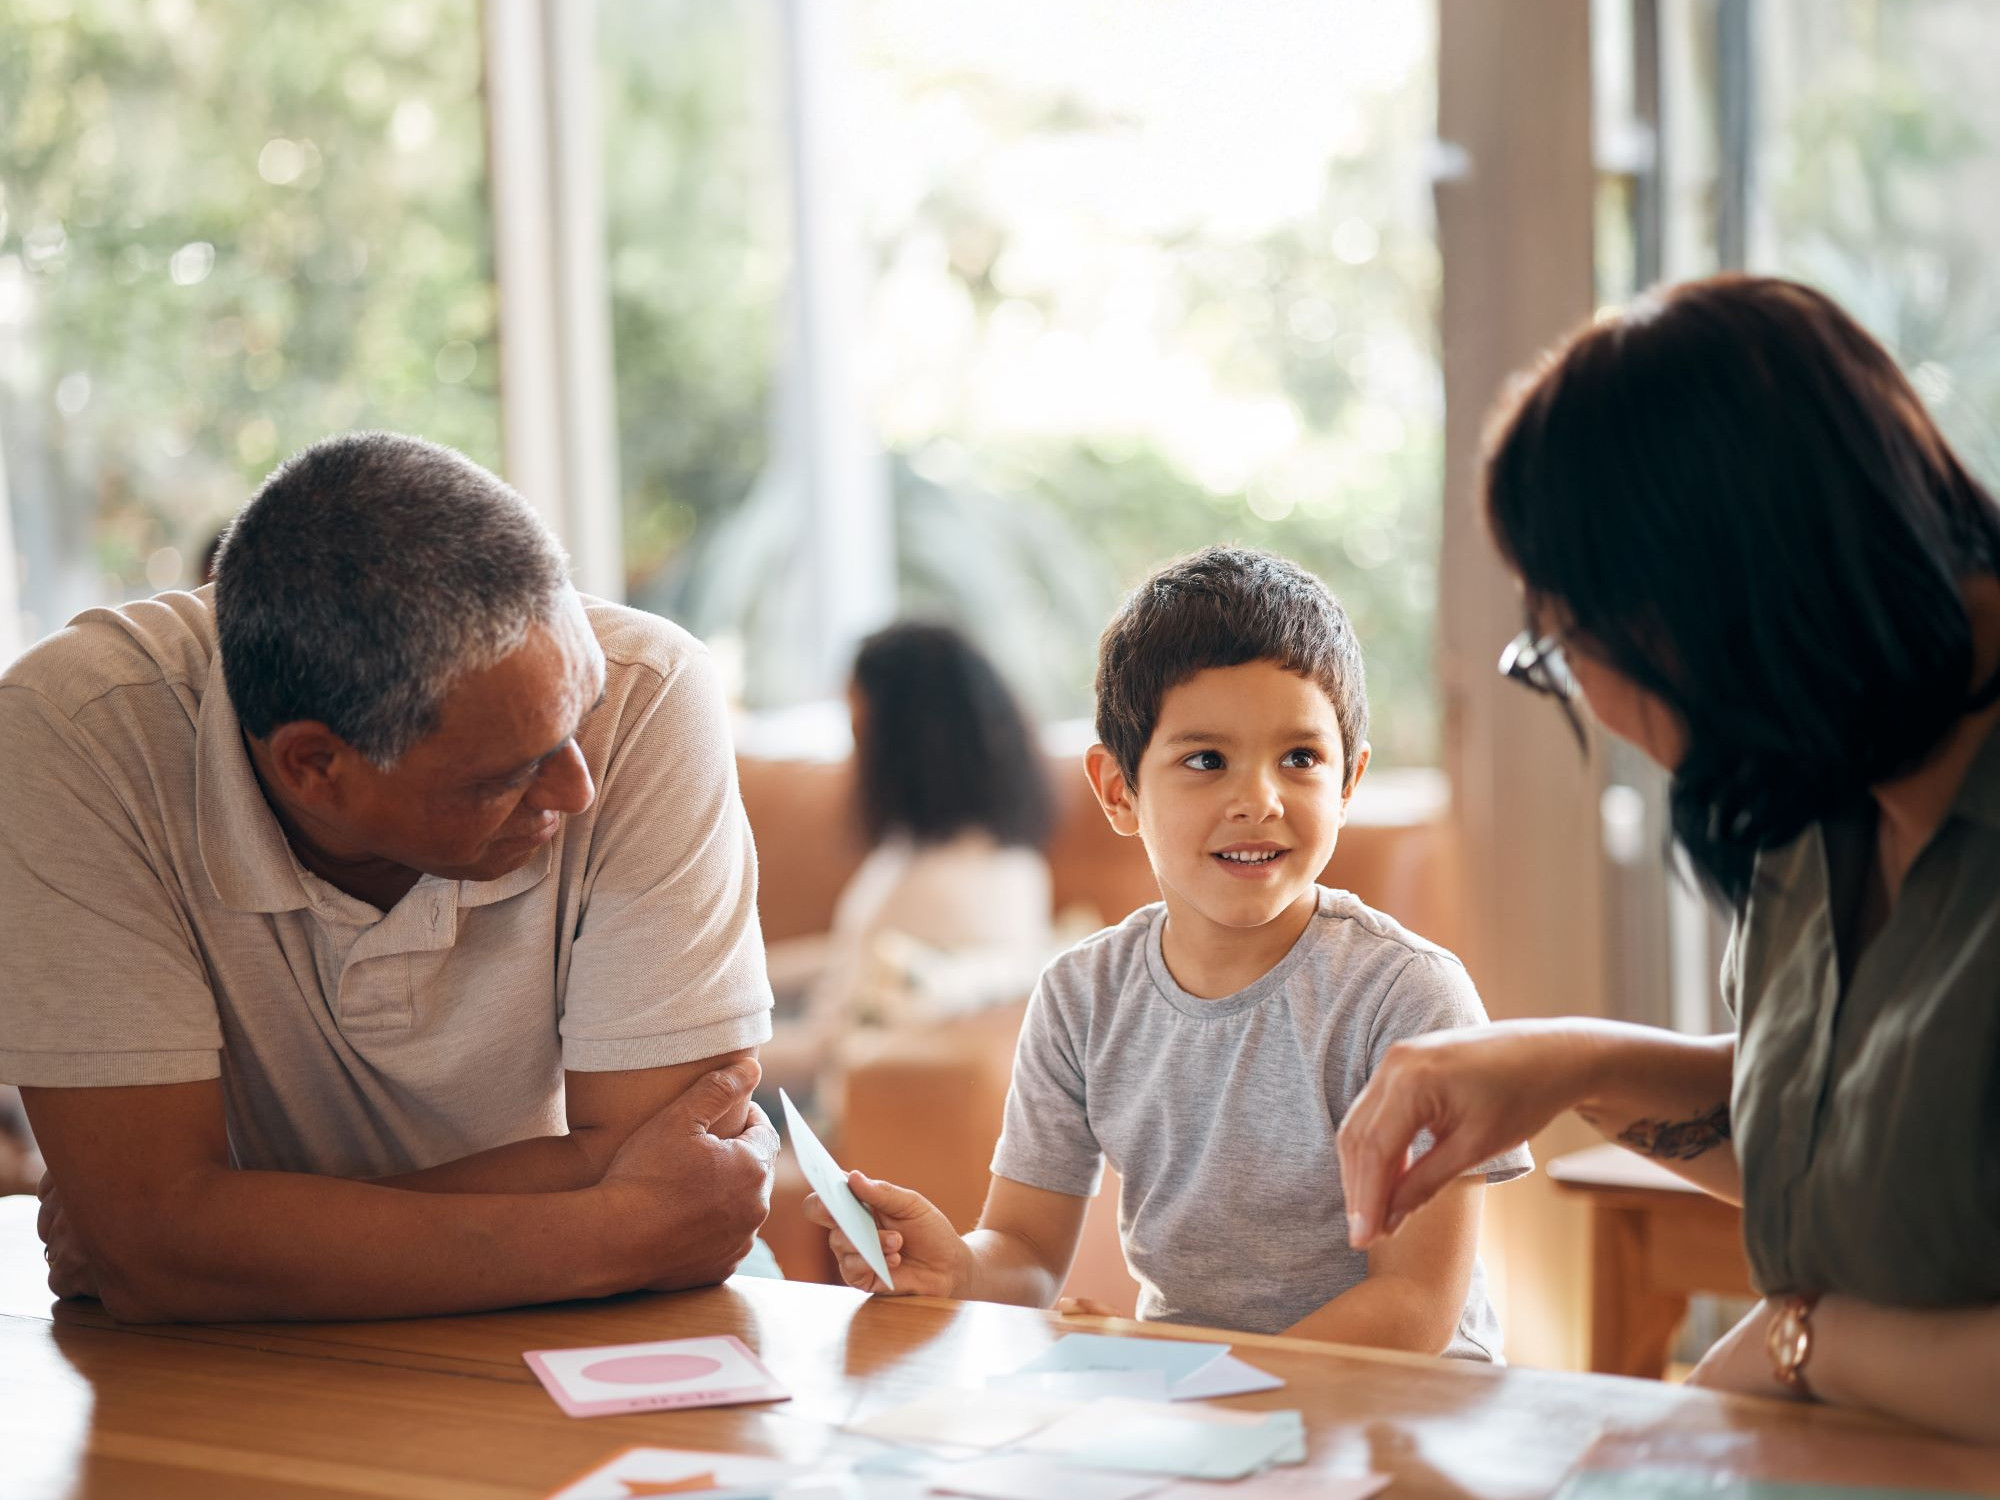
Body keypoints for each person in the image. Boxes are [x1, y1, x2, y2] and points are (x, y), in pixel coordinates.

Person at [1336, 276, 2000, 1442]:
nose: (1594, 706)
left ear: (1698, 609)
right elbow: (1886, 1138)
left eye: (1564, 643)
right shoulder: (1822, 772)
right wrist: (1568, 1066)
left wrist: (1804, 1347)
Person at [0, 432, 779, 1323]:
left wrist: (221, 1234)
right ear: (314, 766)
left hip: (616, 1313)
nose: (578, 788)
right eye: (507, 774)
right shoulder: (75, 735)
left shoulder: (649, 691)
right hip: (297, 1353)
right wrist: (619, 1231)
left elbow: (683, 1173)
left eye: (581, 719)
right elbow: (154, 1248)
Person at [807, 548, 1531, 1358]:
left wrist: (1176, 1379)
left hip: (1401, 1398)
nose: (1258, 799)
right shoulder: (1081, 996)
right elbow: (1026, 1249)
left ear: (1349, 781)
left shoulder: (1409, 996)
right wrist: (959, 1269)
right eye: (1206, 760)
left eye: (1300, 758)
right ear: (1118, 790)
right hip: (1197, 1404)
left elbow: (1414, 1307)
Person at [760, 621, 1055, 1111]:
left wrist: (691, 1056)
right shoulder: (1010, 862)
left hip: (818, 1100)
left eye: (857, 728)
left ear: (900, 741)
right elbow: (860, 953)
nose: (853, 749)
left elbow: (822, 1053)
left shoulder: (926, 887)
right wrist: (739, 976)